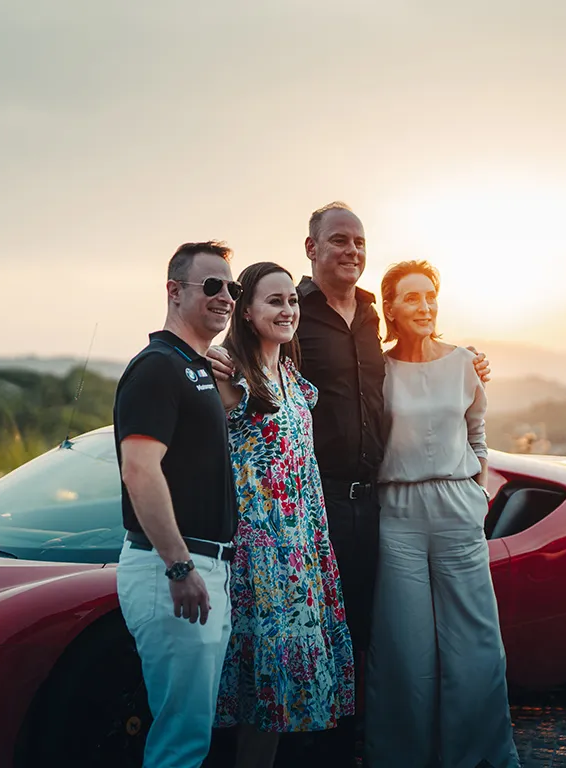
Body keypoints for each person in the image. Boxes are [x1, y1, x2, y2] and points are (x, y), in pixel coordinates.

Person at [209, 202, 490, 765]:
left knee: (359, 634)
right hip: (315, 502)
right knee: (302, 635)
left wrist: (465, 361)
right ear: (311, 248)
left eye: (359, 242)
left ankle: (350, 750)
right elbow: (255, 357)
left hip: (378, 503)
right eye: (339, 240)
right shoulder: (295, 312)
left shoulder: (368, 316)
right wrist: (223, 359)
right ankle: (301, 755)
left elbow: (412, 365)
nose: (352, 252)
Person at [364, 260, 519, 768]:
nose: (424, 306)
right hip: (398, 514)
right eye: (411, 298)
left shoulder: (464, 363)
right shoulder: (377, 371)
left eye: (430, 296)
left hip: (458, 509)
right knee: (404, 652)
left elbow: (477, 433)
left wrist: (479, 493)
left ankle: (477, 758)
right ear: (390, 307)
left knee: (475, 643)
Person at [213, 261, 355, 768]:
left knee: (280, 699)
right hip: (257, 553)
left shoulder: (292, 375)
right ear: (246, 312)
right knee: (256, 690)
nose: (287, 309)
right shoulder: (228, 376)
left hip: (302, 546)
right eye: (274, 301)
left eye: (291, 300)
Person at [113, 241, 241, 768]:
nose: (226, 297)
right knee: (181, 742)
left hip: (206, 567)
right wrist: (180, 564)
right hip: (173, 569)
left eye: (231, 287)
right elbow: (140, 470)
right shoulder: (158, 368)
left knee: (192, 732)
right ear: (174, 291)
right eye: (212, 285)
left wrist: (229, 391)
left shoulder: (197, 368)